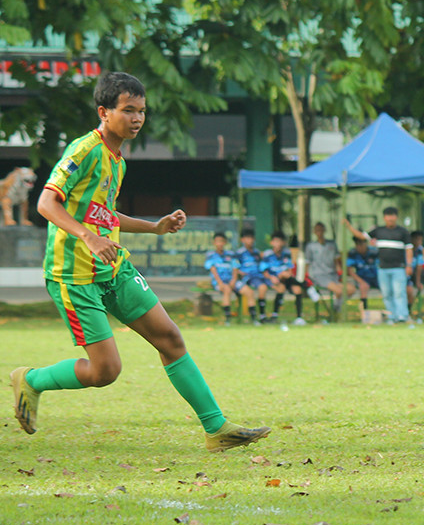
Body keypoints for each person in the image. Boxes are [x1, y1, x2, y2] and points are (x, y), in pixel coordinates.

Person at [9, 71, 269, 452]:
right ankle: (31, 380)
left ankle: (217, 429)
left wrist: (154, 227)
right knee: (106, 370)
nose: (137, 118)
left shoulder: (118, 160)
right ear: (104, 112)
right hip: (74, 276)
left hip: (114, 269)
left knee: (170, 338)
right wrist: (88, 237)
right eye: (128, 110)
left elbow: (103, 214)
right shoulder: (83, 150)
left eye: (142, 111)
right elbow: (46, 203)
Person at [345, 207, 412, 323]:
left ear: (396, 217)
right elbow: (361, 236)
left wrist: (409, 265)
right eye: (388, 216)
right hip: (382, 268)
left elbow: (409, 249)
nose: (390, 218)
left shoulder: (403, 232)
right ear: (384, 217)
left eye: (392, 216)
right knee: (386, 294)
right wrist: (349, 226)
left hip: (398, 268)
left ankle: (402, 316)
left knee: (399, 293)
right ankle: (391, 316)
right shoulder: (378, 231)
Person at [304, 221, 355, 314]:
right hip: (319, 276)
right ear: (314, 232)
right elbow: (307, 262)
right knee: (339, 291)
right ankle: (334, 311)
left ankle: (336, 307)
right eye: (317, 230)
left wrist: (340, 271)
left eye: (321, 230)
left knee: (351, 289)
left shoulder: (331, 244)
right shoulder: (311, 246)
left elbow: (336, 260)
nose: (319, 232)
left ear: (324, 231)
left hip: (332, 275)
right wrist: (307, 277)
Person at [261, 230, 307, 325]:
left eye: (280, 241)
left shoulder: (286, 253)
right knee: (281, 287)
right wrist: (272, 278)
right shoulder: (267, 254)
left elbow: (289, 269)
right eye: (276, 241)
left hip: (286, 279)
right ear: (272, 242)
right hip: (273, 280)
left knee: (297, 290)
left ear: (283, 242)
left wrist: (286, 275)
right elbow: (264, 271)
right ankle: (274, 315)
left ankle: (299, 318)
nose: (278, 244)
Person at [204, 231, 248, 325]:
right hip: (219, 282)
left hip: (232, 280)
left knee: (248, 291)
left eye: (222, 241)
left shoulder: (230, 254)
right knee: (227, 290)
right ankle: (228, 318)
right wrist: (220, 283)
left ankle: (255, 319)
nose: (220, 244)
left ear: (225, 242)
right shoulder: (211, 255)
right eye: (217, 241)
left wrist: (234, 280)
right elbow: (213, 270)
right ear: (214, 243)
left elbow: (235, 268)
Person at [235, 226, 268, 325]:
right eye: (247, 238)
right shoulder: (239, 253)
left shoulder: (256, 252)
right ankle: (254, 318)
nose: (250, 240)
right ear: (242, 240)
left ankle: (262, 315)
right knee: (250, 292)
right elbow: (235, 267)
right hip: (245, 278)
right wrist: (240, 272)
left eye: (251, 238)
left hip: (256, 276)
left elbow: (261, 265)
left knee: (263, 288)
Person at [346, 236, 379, 311]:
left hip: (375, 277)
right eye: (357, 244)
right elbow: (349, 270)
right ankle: (364, 311)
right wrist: (361, 281)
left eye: (361, 243)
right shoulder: (353, 253)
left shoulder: (374, 252)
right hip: (363, 277)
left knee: (386, 287)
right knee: (363, 287)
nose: (359, 246)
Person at [407, 230, 424, 306]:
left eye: (421, 240)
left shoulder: (419, 250)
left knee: (410, 292)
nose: (419, 242)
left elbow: (419, 267)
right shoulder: (406, 248)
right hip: (405, 275)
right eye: (417, 239)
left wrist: (418, 282)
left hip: (413, 275)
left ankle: (409, 309)